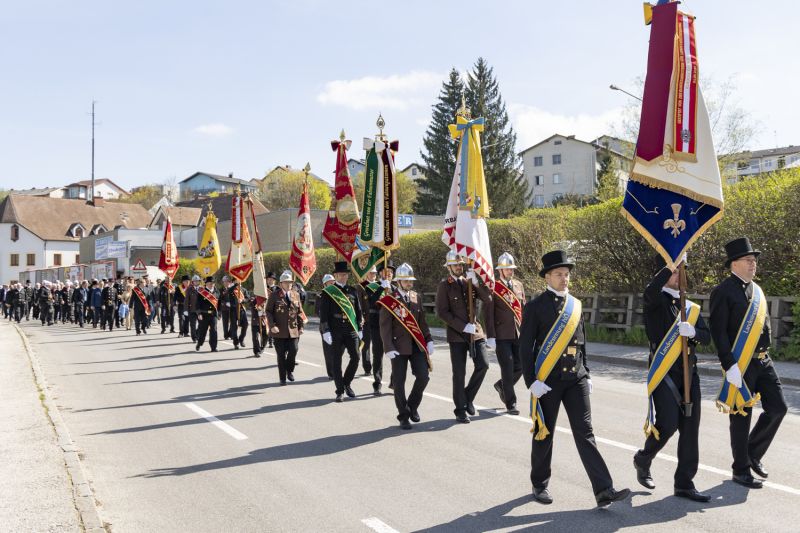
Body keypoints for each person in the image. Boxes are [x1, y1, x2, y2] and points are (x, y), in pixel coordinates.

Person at [520, 250, 630, 507]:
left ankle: (604, 489)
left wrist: (587, 371)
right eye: (559, 274)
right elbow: (525, 347)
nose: (564, 278)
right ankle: (539, 483)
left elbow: (582, 342)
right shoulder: (535, 307)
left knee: (585, 432)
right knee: (544, 432)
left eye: (566, 274)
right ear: (547, 277)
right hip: (548, 380)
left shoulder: (575, 306)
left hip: (576, 378)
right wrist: (531, 380)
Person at [633, 254, 711, 502]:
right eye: (674, 271)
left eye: (680, 270)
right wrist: (670, 262)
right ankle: (643, 458)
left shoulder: (688, 306)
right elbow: (651, 289)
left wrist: (694, 332)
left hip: (689, 372)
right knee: (668, 424)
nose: (679, 275)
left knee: (690, 429)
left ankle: (684, 483)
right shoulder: (655, 300)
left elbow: (707, 337)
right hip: (664, 372)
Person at [710, 237, 787, 489]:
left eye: (754, 260)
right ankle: (740, 470)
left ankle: (752, 453)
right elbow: (718, 332)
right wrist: (729, 365)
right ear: (734, 263)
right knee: (741, 417)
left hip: (763, 361)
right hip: (740, 364)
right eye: (748, 260)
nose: (753, 264)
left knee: (778, 408)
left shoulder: (757, 291)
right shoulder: (723, 292)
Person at [435, 250, 492, 423]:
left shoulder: (469, 281)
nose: (459, 267)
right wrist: (462, 326)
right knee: (459, 373)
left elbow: (487, 299)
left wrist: (475, 283)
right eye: (455, 265)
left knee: (483, 364)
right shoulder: (445, 285)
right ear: (449, 267)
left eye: (460, 264)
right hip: (457, 334)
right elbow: (442, 312)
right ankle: (460, 409)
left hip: (475, 331)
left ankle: (468, 397)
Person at [378, 263, 434, 430]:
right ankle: (403, 415)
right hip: (398, 346)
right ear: (398, 282)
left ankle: (412, 406)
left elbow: (422, 322)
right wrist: (388, 347)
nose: (409, 283)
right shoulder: (390, 300)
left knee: (423, 377)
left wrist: (429, 339)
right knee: (399, 382)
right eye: (406, 281)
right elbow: (385, 326)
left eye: (411, 281)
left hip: (416, 345)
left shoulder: (416, 297)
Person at [487, 252, 526, 415]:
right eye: (508, 269)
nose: (511, 271)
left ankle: (501, 385)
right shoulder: (493, 287)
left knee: (521, 366)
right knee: (508, 368)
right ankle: (511, 403)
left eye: (512, 269)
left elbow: (523, 309)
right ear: (500, 270)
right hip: (501, 335)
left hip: (517, 333)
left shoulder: (518, 285)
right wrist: (491, 335)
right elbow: (488, 314)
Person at [319, 261, 363, 402]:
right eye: (340, 275)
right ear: (336, 276)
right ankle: (339, 391)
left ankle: (346, 383)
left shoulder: (353, 291)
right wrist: (325, 331)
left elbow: (358, 311)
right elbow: (324, 314)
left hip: (350, 329)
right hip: (335, 329)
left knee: (356, 357)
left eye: (345, 274)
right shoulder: (328, 292)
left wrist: (360, 328)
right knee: (336, 361)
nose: (343, 277)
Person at [266, 270, 305, 384]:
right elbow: (268, 311)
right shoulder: (274, 295)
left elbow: (299, 312)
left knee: (294, 350)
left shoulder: (296, 294)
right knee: (281, 355)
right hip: (279, 331)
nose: (289, 284)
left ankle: (289, 370)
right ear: (281, 284)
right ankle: (282, 378)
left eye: (290, 282)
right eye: (286, 282)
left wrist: (301, 326)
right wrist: (272, 326)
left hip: (293, 330)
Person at [366, 261, 396, 396]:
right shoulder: (372, 287)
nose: (388, 274)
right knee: (378, 355)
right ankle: (377, 383)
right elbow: (371, 302)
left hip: (393, 327)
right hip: (377, 325)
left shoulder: (395, 289)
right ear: (379, 274)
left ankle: (394, 381)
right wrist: (381, 289)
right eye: (385, 271)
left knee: (396, 355)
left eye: (391, 272)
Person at [357, 266, 378, 376]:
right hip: (366, 318)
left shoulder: (380, 285)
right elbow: (359, 303)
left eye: (374, 273)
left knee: (377, 346)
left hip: (378, 319)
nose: (372, 275)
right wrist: (360, 317)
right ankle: (367, 367)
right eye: (370, 273)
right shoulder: (361, 286)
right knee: (366, 345)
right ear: (366, 274)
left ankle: (377, 367)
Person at [316, 274, 336, 380]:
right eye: (330, 283)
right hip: (326, 326)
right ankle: (331, 373)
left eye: (333, 282)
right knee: (328, 351)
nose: (332, 284)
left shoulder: (339, 294)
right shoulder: (321, 295)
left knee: (338, 350)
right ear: (325, 284)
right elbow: (318, 311)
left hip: (337, 326)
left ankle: (336, 369)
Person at [195, 276, 219, 353]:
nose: (211, 284)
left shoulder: (217, 292)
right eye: (209, 283)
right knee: (203, 332)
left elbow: (219, 304)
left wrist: (219, 313)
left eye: (212, 283)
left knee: (214, 331)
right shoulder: (202, 292)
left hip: (213, 315)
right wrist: (199, 313)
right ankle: (199, 343)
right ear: (206, 284)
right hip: (204, 315)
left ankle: (213, 347)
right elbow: (197, 304)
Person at [226, 280, 249, 350]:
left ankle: (241, 339)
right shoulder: (231, 289)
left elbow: (247, 298)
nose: (238, 281)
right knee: (234, 327)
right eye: (236, 280)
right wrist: (235, 285)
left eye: (239, 280)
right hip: (233, 310)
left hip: (242, 310)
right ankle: (236, 343)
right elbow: (228, 292)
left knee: (245, 324)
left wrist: (242, 300)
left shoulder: (244, 290)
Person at [186, 275, 201, 341]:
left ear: (199, 281)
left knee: (201, 324)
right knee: (193, 325)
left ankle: (197, 334)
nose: (196, 282)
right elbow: (186, 300)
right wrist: (185, 309)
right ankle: (194, 337)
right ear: (192, 282)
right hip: (192, 309)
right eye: (195, 281)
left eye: (197, 281)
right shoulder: (189, 289)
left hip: (200, 310)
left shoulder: (202, 289)